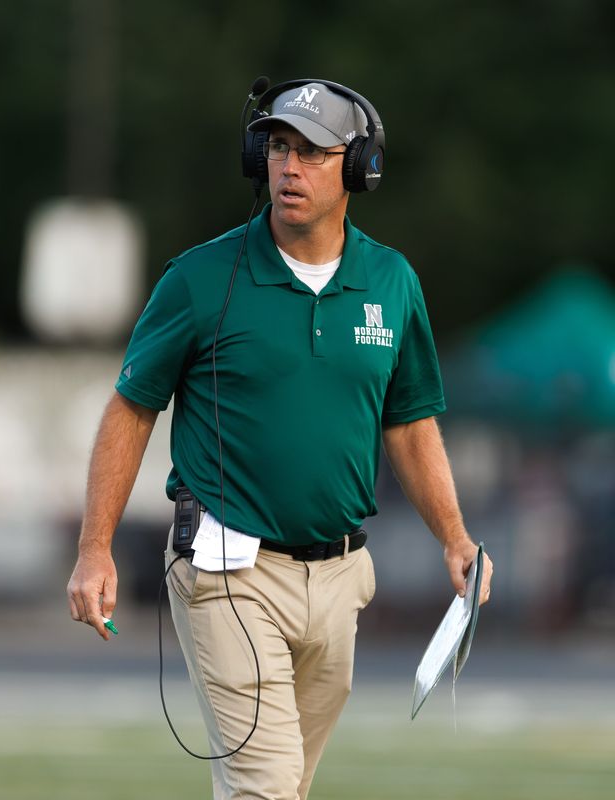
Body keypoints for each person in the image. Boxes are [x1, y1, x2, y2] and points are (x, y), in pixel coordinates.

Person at [67, 79, 493, 800]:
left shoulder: (391, 282)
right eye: (277, 148)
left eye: (313, 153)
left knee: (281, 788)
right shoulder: (201, 278)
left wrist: (455, 538)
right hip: (226, 573)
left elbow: (410, 424)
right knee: (265, 787)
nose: (288, 168)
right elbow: (130, 410)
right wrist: (94, 547)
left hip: (339, 579)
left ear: (360, 169)